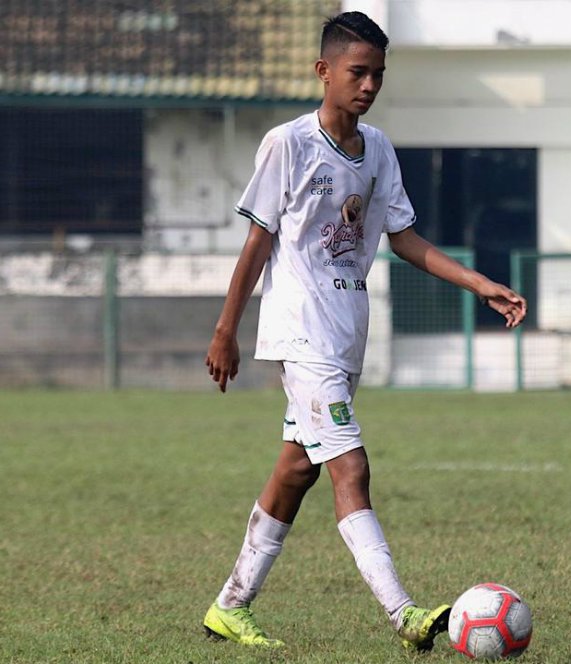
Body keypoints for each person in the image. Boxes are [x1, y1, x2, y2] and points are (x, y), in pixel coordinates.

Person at [200, 11, 527, 652]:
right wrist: (224, 330)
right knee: (351, 465)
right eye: (358, 71)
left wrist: (478, 282)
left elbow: (402, 237)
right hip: (301, 334)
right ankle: (404, 613)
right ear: (324, 71)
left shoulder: (377, 149)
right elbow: (257, 242)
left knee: (297, 469)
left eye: (378, 73)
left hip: (347, 335)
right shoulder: (287, 144)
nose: (370, 84)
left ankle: (229, 607)